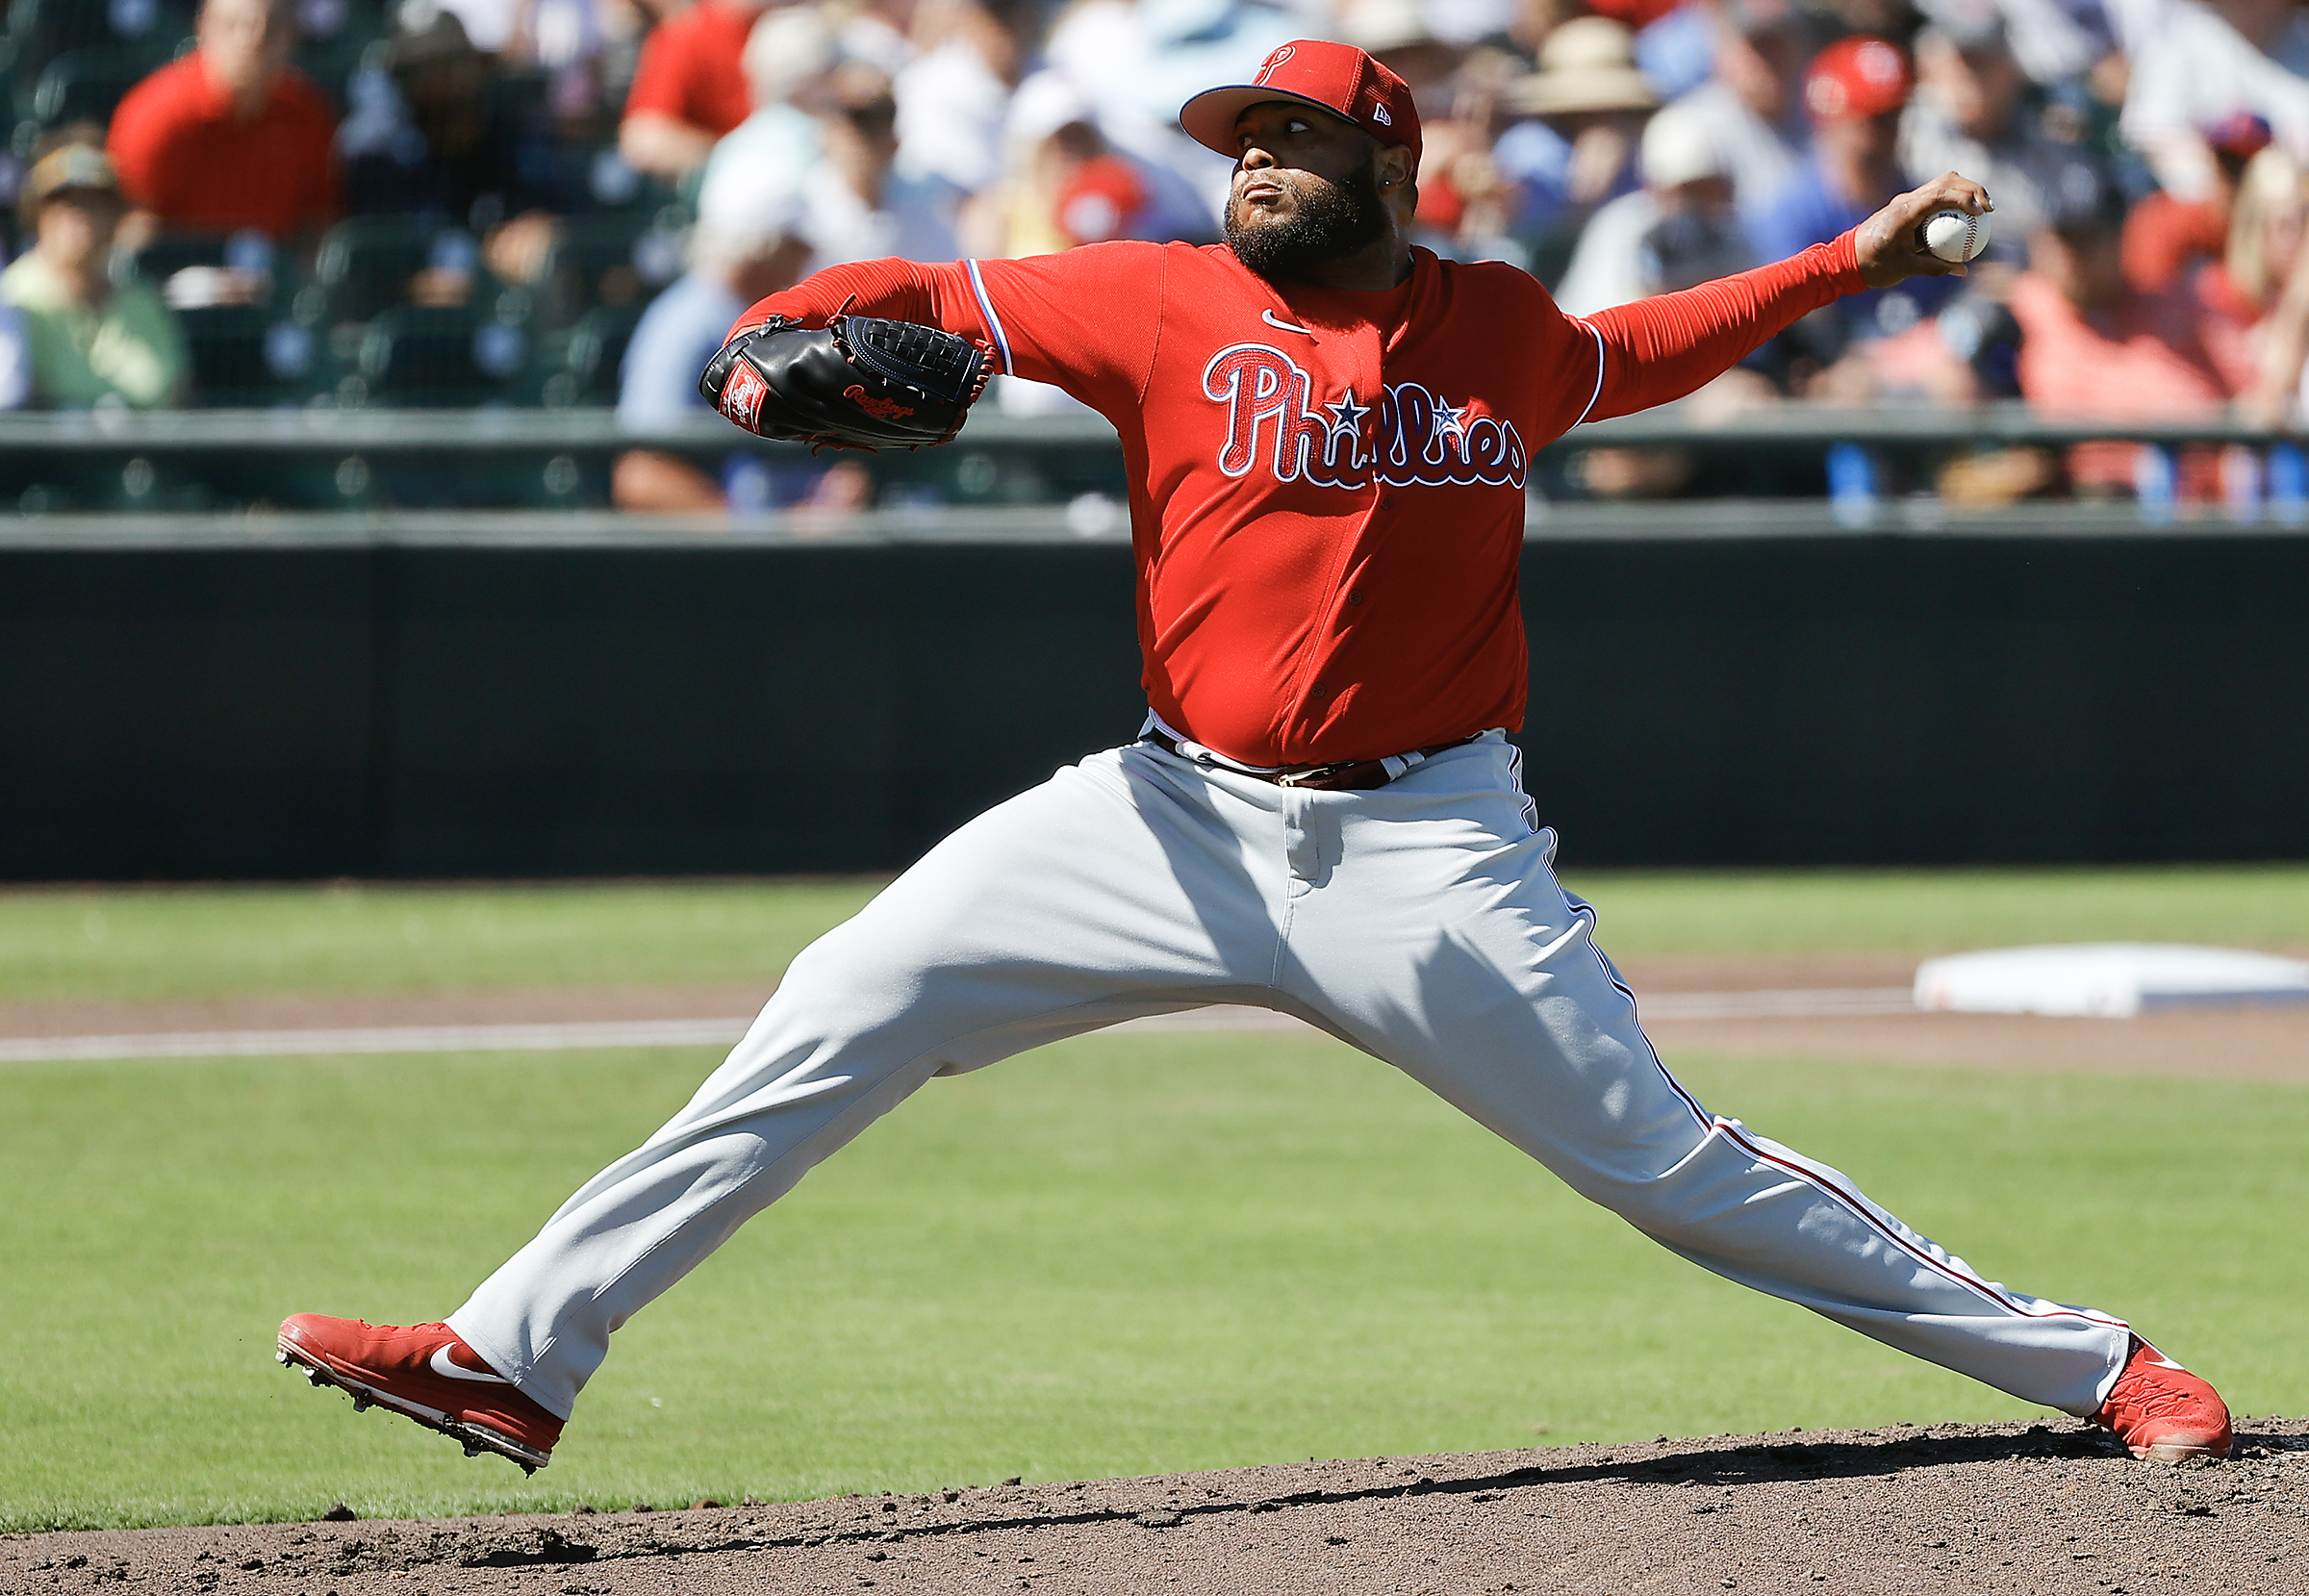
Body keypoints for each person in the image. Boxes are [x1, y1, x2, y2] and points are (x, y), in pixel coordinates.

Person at [277, 38, 2234, 1477]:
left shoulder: (1498, 326)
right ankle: (511, 1350)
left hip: (1429, 847)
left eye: (1292, 136)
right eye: (1240, 137)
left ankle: (2097, 1366)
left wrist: (1845, 270)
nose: (1255, 164)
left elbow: (1644, 349)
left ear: (1382, 157)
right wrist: (748, 361)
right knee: (841, 997)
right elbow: (852, 304)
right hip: (1161, 811)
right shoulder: (1152, 295)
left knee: (1667, 1163)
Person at [610, 189, 812, 511]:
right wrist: (764, 534)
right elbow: (644, 476)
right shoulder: (689, 321)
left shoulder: (764, 317)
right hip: (728, 554)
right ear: (761, 247)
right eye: (796, 243)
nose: (809, 255)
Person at [106, 0, 340, 241]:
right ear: (204, 28)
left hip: (271, 266)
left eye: (273, 27)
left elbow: (318, 221)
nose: (254, 39)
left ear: (293, 35)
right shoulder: (157, 115)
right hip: (176, 269)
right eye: (234, 24)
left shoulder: (306, 114)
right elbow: (130, 226)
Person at [1, 140, 184, 410]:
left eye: (95, 205)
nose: (81, 219)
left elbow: (177, 390)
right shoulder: (12, 297)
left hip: (147, 447)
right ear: (37, 215)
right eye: (67, 205)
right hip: (48, 451)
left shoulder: (142, 301)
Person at [618, 0, 775, 178]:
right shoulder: (688, 33)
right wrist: (737, 157)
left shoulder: (800, 27)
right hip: (733, 184)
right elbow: (644, 138)